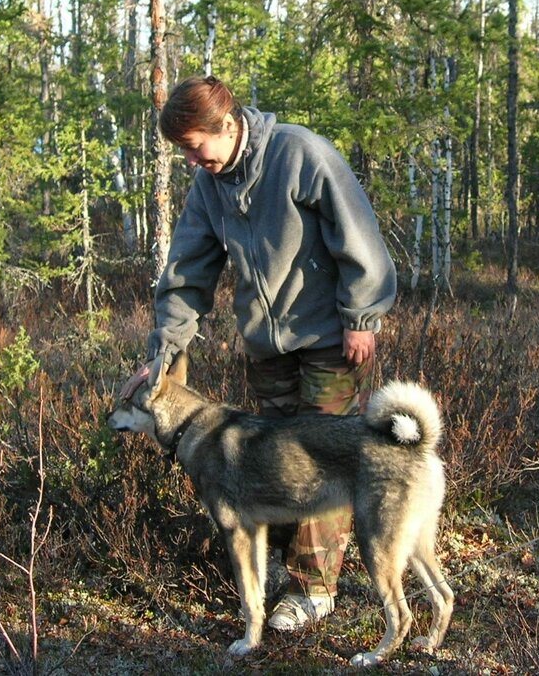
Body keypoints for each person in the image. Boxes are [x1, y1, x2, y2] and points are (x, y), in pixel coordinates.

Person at [125, 75, 397, 631]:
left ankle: (313, 591)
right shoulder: (209, 186)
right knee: (276, 466)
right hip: (266, 348)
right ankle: (271, 572)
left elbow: (358, 232)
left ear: (226, 125)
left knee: (321, 459)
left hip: (329, 337)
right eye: (183, 153)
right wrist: (162, 353)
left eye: (195, 147)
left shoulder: (300, 153)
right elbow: (186, 274)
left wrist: (363, 315)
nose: (192, 161)